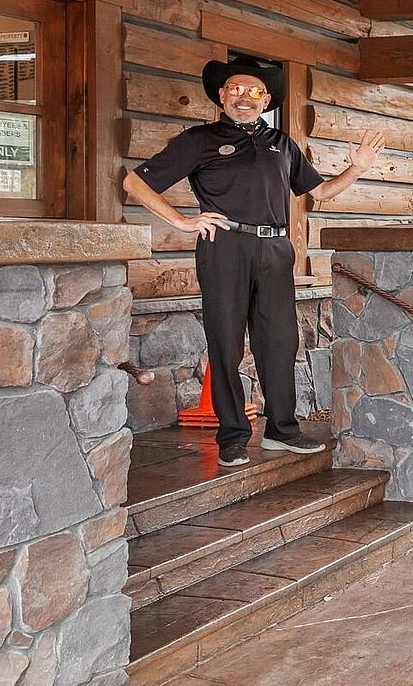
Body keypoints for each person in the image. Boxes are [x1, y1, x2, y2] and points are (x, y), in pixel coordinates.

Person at [122, 55, 386, 467]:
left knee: (280, 342)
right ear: (222, 96)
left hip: (276, 249)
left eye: (253, 91)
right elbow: (134, 181)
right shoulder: (200, 140)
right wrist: (181, 220)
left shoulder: (281, 144)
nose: (244, 98)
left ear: (266, 99)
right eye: (236, 90)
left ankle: (282, 430)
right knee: (225, 342)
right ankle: (232, 436)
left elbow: (320, 193)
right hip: (225, 245)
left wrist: (356, 169)